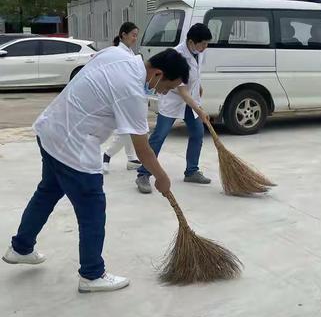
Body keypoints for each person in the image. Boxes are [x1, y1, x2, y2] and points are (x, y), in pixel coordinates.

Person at [2, 46, 189, 293]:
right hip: (72, 145)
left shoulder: (117, 54)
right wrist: (162, 177)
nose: (164, 92)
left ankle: (20, 248)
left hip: (51, 129)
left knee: (47, 191)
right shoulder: (132, 92)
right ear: (157, 73)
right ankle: (92, 274)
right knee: (92, 207)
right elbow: (143, 149)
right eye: (168, 86)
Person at [136, 23, 212, 194]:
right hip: (174, 99)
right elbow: (182, 91)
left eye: (207, 44)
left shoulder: (200, 53)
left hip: (191, 101)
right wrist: (199, 110)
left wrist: (199, 87)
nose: (205, 47)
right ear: (192, 42)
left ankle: (192, 171)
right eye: (203, 44)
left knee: (197, 134)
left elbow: (195, 75)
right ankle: (143, 173)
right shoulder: (177, 55)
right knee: (159, 135)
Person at [103, 22, 142, 173]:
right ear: (123, 35)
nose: (135, 38)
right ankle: (107, 156)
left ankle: (130, 158)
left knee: (127, 129)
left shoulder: (130, 53)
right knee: (126, 129)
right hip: (117, 97)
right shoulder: (117, 52)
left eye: (136, 35)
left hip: (128, 96)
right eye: (133, 35)